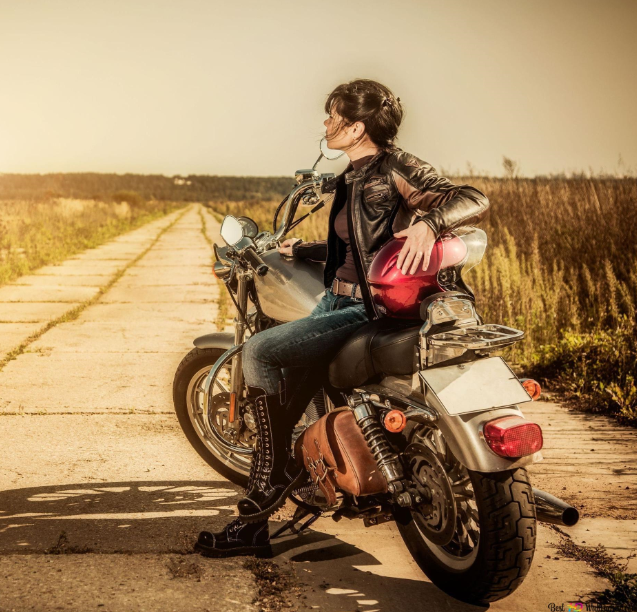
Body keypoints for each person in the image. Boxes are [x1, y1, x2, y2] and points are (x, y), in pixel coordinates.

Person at [195, 78, 489, 558]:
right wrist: (305, 249)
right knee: (294, 394)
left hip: (362, 307)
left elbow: (470, 196)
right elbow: (360, 241)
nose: (325, 124)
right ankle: (268, 500)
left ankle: (273, 476)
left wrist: (430, 222)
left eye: (333, 117)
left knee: (260, 351)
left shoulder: (395, 164)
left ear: (356, 128)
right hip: (340, 298)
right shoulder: (352, 175)